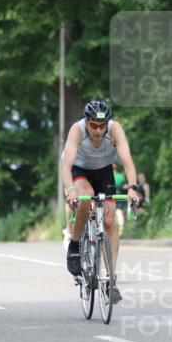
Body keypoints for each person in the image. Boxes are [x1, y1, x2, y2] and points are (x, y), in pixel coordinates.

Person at [60, 100, 140, 302]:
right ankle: (75, 245)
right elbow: (66, 165)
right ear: (87, 122)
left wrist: (131, 189)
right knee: (85, 201)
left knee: (110, 221)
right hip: (79, 169)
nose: (98, 130)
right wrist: (70, 190)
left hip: (104, 170)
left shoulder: (115, 130)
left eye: (102, 126)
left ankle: (111, 281)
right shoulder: (77, 131)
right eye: (94, 125)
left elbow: (128, 162)